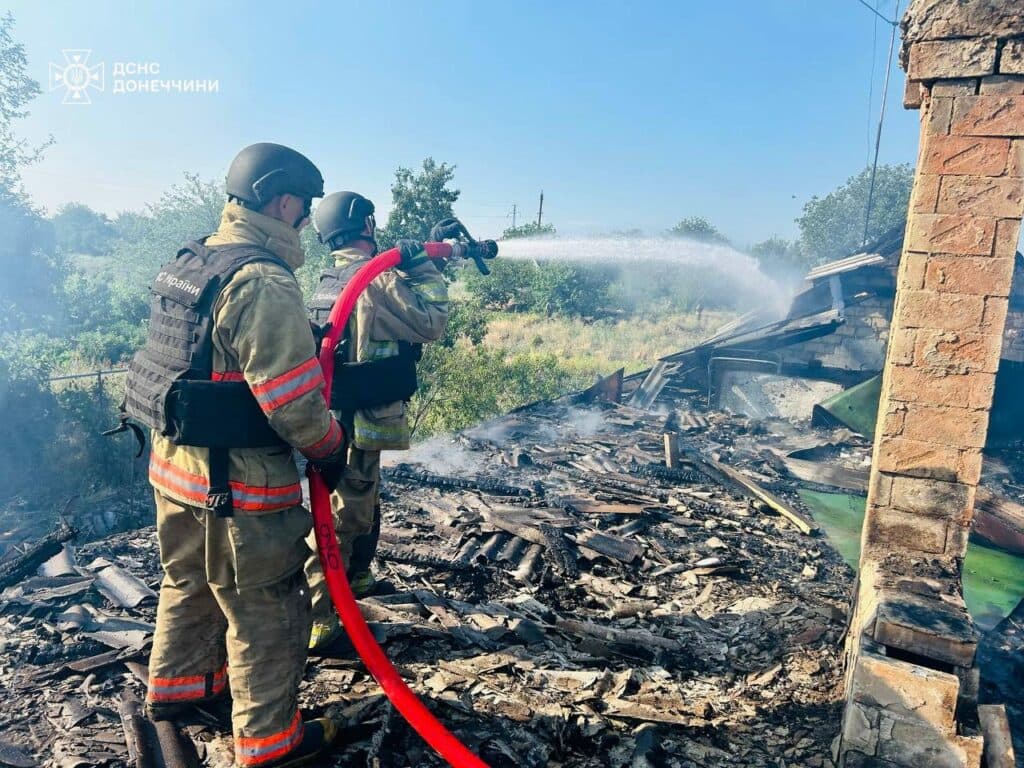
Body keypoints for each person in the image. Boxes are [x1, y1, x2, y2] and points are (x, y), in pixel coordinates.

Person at [122, 143, 345, 767]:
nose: (307, 218)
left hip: (174, 471)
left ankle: (179, 689)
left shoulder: (194, 260)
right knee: (266, 609)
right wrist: (332, 448)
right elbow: (293, 404)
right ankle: (271, 743)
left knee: (188, 580)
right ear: (283, 201)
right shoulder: (264, 281)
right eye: (304, 205)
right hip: (238, 487)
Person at [305, 192, 450, 650]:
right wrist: (423, 268)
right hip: (360, 416)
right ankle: (319, 619)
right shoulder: (376, 280)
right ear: (366, 224)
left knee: (360, 501)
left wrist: (425, 257)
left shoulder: (330, 278)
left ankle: (356, 578)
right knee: (343, 515)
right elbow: (431, 321)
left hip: (334, 415)